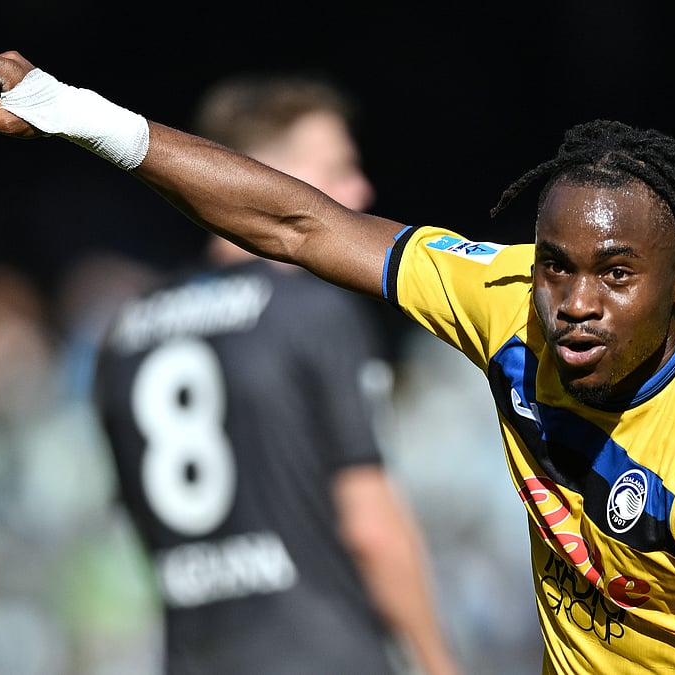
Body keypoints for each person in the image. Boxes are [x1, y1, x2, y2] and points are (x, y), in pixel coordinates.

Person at [0, 24, 675, 675]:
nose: (577, 303)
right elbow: (300, 222)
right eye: (558, 268)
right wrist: (68, 110)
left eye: (617, 275)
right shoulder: (507, 299)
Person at [89, 74, 460, 675]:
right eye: (336, 171)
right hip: (322, 652)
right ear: (262, 181)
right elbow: (371, 526)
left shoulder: (125, 334)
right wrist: (438, 662)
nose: (360, 191)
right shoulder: (311, 311)